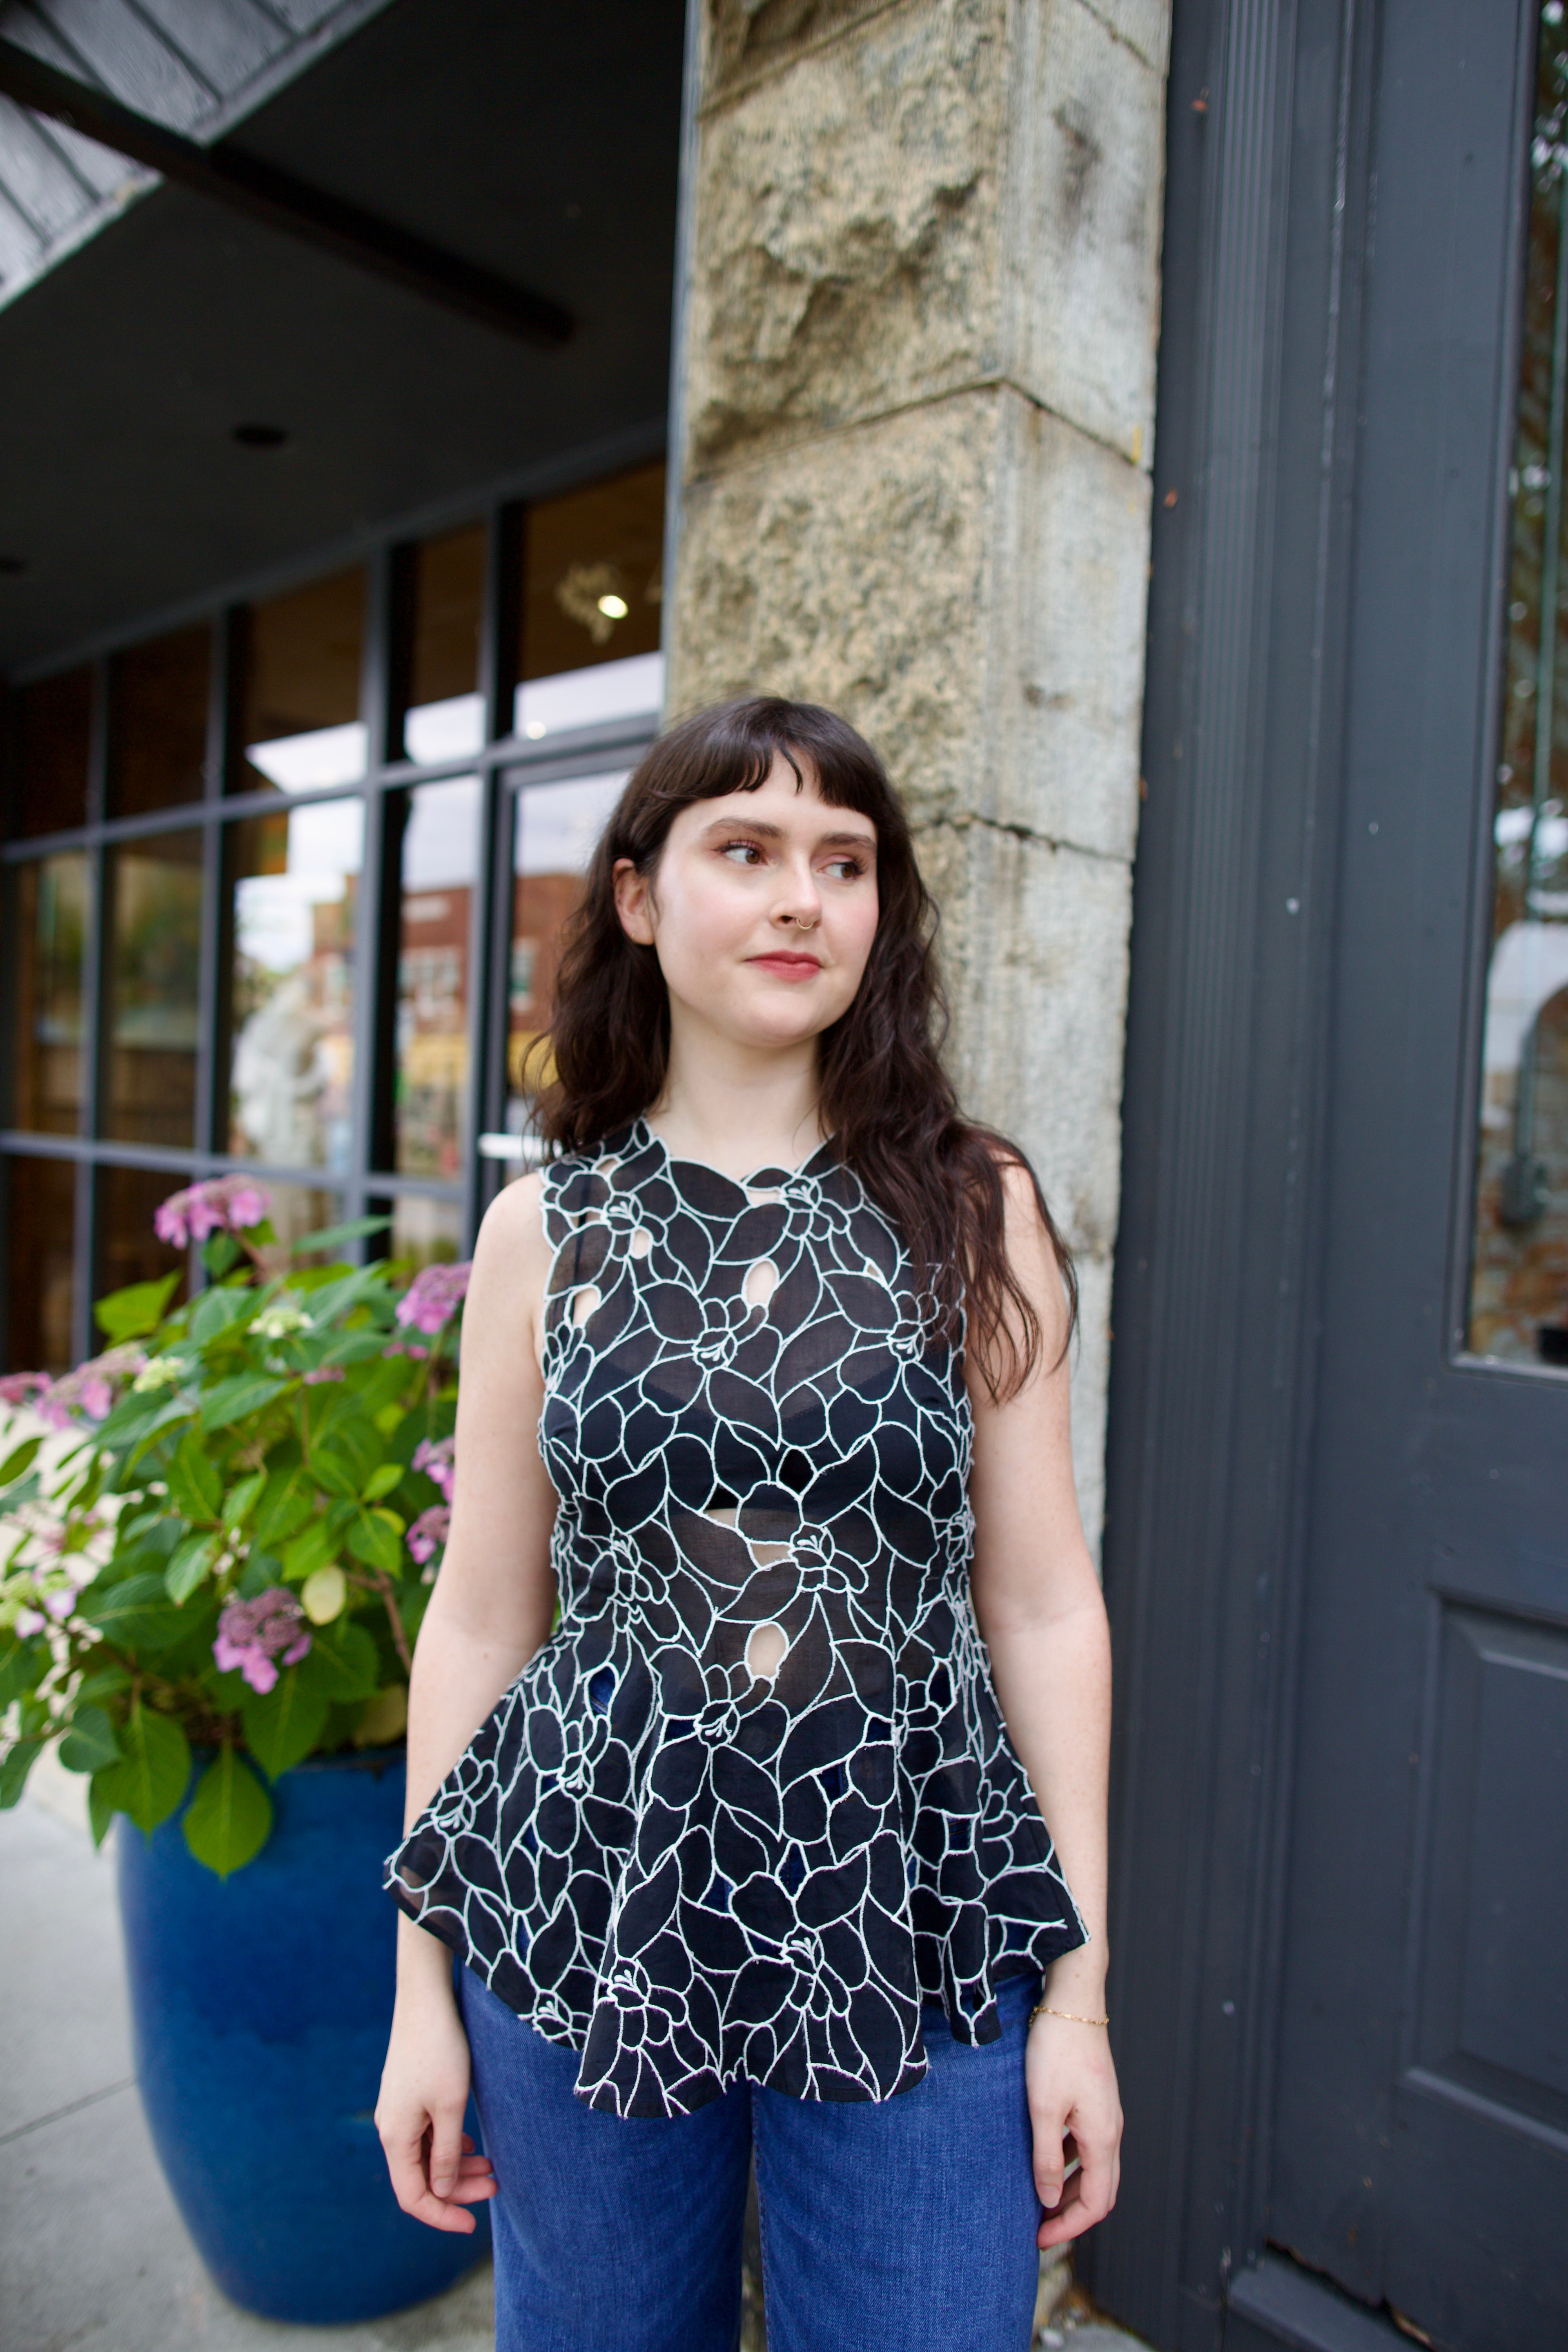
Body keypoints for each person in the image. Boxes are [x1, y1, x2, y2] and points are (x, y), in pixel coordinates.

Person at [375, 698, 1123, 2352]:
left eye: (844, 863)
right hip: (588, 1899)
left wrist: (1078, 1998)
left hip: (910, 1906)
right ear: (639, 898)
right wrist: (420, 1995)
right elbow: (486, 1616)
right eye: (748, 851)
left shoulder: (973, 1206)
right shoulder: (543, 1229)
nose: (804, 899)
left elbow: (1049, 1605)